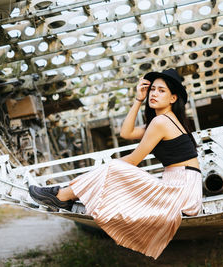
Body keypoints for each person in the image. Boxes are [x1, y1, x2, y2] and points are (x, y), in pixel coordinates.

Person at [29, 68, 202, 259]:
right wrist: (138, 99)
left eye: (161, 91)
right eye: (152, 89)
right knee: (113, 169)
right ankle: (65, 194)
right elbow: (125, 133)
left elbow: (133, 160)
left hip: (181, 190)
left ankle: (63, 194)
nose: (153, 94)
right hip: (182, 186)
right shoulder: (163, 121)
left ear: (173, 98)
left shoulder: (161, 122)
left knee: (114, 167)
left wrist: (101, 171)